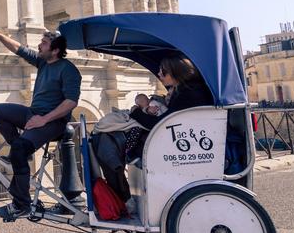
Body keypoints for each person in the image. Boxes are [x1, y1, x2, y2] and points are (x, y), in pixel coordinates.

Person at [0, 18, 81, 221]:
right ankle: (19, 151)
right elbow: (19, 48)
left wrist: (44, 120)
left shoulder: (68, 70)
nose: (39, 45)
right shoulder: (43, 62)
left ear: (55, 50)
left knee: (18, 150)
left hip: (53, 122)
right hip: (33, 113)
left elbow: (70, 102)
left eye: (44, 43)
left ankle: (21, 205)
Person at [91, 55, 213, 207]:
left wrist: (137, 111)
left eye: (163, 72)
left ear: (176, 73)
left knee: (107, 140)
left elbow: (159, 123)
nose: (160, 75)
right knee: (108, 140)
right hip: (173, 133)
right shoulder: (184, 90)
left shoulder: (188, 94)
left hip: (172, 138)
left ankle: (121, 192)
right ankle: (120, 191)